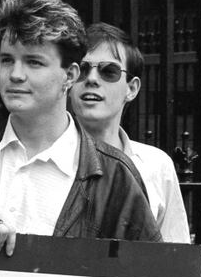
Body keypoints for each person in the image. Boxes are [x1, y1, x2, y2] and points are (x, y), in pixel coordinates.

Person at [0, 0, 160, 256]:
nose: (15, 75)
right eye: (7, 60)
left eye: (34, 62)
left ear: (70, 75)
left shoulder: (115, 175)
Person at [69, 22, 190, 243]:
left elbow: (174, 258)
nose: (92, 79)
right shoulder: (49, 157)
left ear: (131, 89)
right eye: (83, 69)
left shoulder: (156, 165)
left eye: (109, 71)